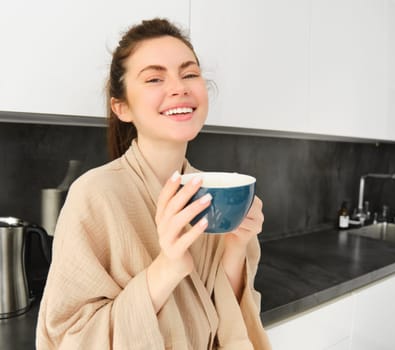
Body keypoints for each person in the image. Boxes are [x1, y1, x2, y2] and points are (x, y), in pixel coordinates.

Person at [36, 18, 272, 350]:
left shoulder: (218, 195)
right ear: (122, 107)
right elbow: (69, 339)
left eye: (189, 74)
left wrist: (235, 248)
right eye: (154, 78)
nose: (179, 87)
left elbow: (234, 322)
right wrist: (167, 267)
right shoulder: (93, 195)